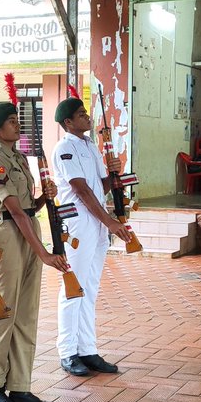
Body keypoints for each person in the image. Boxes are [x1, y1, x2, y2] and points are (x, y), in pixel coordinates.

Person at [0, 102, 67, 402]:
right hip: (7, 236)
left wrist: (44, 197)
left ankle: (20, 386)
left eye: (18, 120)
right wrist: (44, 252)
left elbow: (26, 207)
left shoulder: (18, 158)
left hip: (27, 228)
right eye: (11, 121)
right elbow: (14, 210)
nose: (17, 125)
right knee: (4, 314)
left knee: (26, 314)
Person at [51, 97, 131, 377]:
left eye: (86, 112)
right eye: (81, 114)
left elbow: (99, 187)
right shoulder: (65, 148)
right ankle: (67, 351)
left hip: (95, 221)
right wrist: (109, 221)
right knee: (74, 287)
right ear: (68, 122)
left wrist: (113, 173)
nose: (87, 117)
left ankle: (87, 349)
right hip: (78, 222)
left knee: (90, 287)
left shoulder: (90, 146)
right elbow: (81, 190)